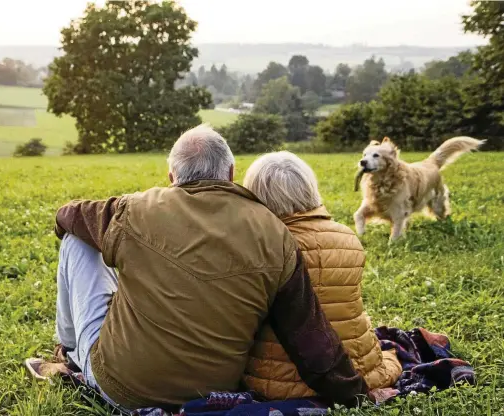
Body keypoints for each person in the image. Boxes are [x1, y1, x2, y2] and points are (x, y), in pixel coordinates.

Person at [26, 125, 369, 411]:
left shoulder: (134, 210)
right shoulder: (276, 234)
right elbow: (310, 339)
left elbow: (66, 214)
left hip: (121, 387)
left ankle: (68, 349)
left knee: (76, 239)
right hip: (212, 394)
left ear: (172, 176)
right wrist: (357, 395)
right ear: (232, 174)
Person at [242, 151, 402, 401]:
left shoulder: (258, 246)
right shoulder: (347, 237)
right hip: (359, 370)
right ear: (309, 188)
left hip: (273, 380)